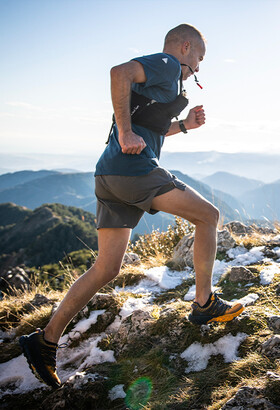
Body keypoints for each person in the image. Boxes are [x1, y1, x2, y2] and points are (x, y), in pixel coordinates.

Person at [19, 23, 244, 389]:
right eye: (199, 58)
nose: (199, 68)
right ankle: (204, 303)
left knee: (106, 267)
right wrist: (125, 132)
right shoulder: (169, 65)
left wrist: (183, 126)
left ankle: (44, 341)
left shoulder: (162, 82)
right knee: (210, 216)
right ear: (185, 47)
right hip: (134, 171)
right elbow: (118, 72)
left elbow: (148, 125)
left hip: (108, 175)